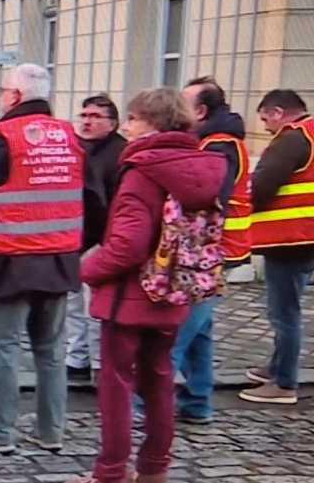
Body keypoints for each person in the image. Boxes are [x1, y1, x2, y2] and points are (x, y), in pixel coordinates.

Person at [68, 88, 225, 483]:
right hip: (175, 288)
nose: (127, 127)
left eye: (133, 119)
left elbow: (126, 246)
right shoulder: (202, 165)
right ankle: (154, 469)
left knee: (116, 384)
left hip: (131, 295)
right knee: (159, 380)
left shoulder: (142, 170)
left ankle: (111, 472)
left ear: (152, 123)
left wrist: (81, 272)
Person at [0, 63, 81, 453]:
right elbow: (93, 200)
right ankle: (50, 431)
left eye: (3, 90)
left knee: (3, 351)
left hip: (4, 260)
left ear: (16, 96)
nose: (1, 97)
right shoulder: (71, 138)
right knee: (51, 351)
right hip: (58, 260)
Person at [168, 76, 251, 421]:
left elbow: (210, 196)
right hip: (219, 248)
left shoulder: (218, 145)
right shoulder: (217, 141)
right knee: (200, 331)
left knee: (176, 332)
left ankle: (143, 406)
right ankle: (198, 401)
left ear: (200, 111)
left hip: (212, 250)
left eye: (183, 104)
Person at [240, 89, 314, 405]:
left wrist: (240, 206)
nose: (267, 127)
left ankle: (284, 383)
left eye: (266, 118)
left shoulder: (291, 139)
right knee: (288, 308)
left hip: (289, 239)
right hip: (304, 236)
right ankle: (276, 368)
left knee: (284, 312)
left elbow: (263, 185)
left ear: (279, 112)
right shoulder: (310, 135)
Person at [66, 94, 127, 381]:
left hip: (100, 239)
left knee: (95, 308)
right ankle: (76, 358)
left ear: (112, 123)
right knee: (72, 303)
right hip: (73, 236)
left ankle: (100, 363)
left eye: (95, 117)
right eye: (84, 115)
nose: (87, 121)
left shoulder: (120, 153)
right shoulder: (77, 148)